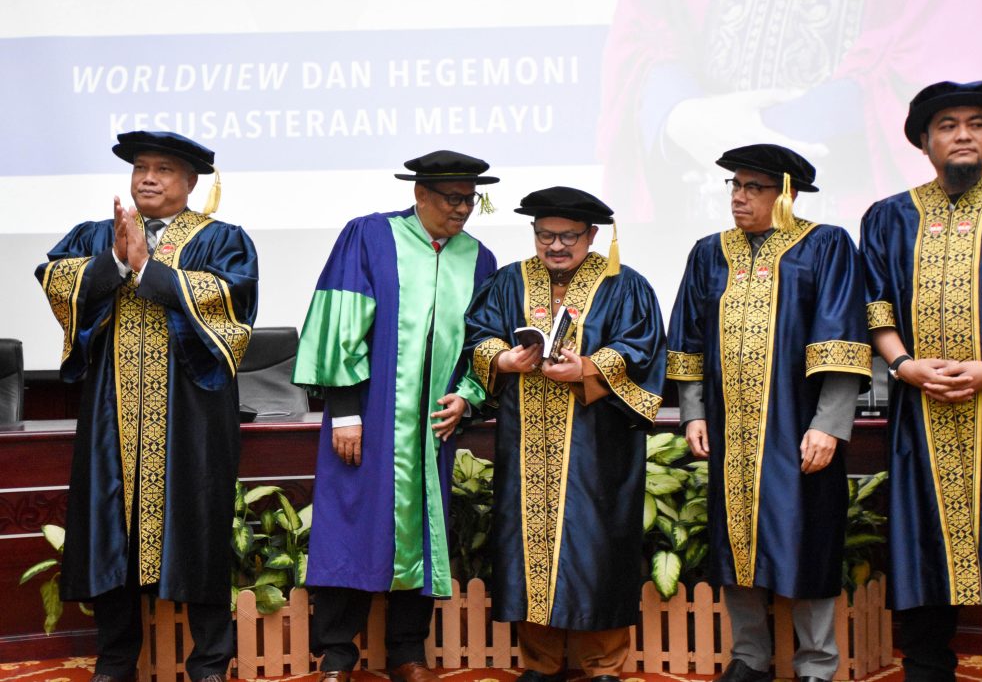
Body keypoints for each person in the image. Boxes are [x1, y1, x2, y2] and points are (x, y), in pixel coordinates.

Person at [35, 130, 259, 682]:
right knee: (109, 526)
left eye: (163, 169)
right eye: (141, 168)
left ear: (191, 182)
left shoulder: (221, 240)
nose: (149, 178)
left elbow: (231, 302)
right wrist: (115, 261)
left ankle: (209, 663)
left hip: (193, 414)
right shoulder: (98, 235)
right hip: (111, 413)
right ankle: (116, 661)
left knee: (199, 522)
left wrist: (149, 270)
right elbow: (55, 280)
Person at [293, 150, 498, 682]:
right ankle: (338, 655)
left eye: (470, 199)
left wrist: (468, 396)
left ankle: (407, 651)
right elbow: (339, 322)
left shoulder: (478, 259)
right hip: (369, 415)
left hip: (432, 427)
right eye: (452, 198)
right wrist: (344, 412)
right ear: (420, 194)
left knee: (423, 530)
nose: (463, 209)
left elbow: (483, 343)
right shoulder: (370, 236)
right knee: (351, 524)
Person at [667, 145, 871, 682]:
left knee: (807, 538)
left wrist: (828, 425)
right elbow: (687, 338)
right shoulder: (709, 252)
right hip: (730, 432)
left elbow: (842, 339)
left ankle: (817, 665)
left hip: (797, 427)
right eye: (735, 186)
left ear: (787, 193)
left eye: (752, 187)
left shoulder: (825, 245)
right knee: (735, 544)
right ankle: (750, 657)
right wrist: (693, 413)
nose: (739, 197)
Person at [464, 186, 666, 682]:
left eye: (568, 236)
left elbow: (641, 347)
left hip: (598, 446)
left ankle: (602, 663)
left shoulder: (624, 285)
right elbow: (478, 335)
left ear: (591, 235)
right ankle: (540, 661)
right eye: (545, 235)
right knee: (525, 544)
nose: (555, 246)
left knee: (598, 545)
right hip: (525, 441)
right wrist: (502, 358)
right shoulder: (509, 281)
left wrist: (588, 368)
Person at [860, 80, 982, 680]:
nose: (962, 135)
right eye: (947, 125)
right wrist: (904, 365)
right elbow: (875, 304)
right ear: (925, 141)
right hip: (919, 407)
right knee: (920, 537)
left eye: (976, 123)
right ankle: (928, 668)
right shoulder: (889, 216)